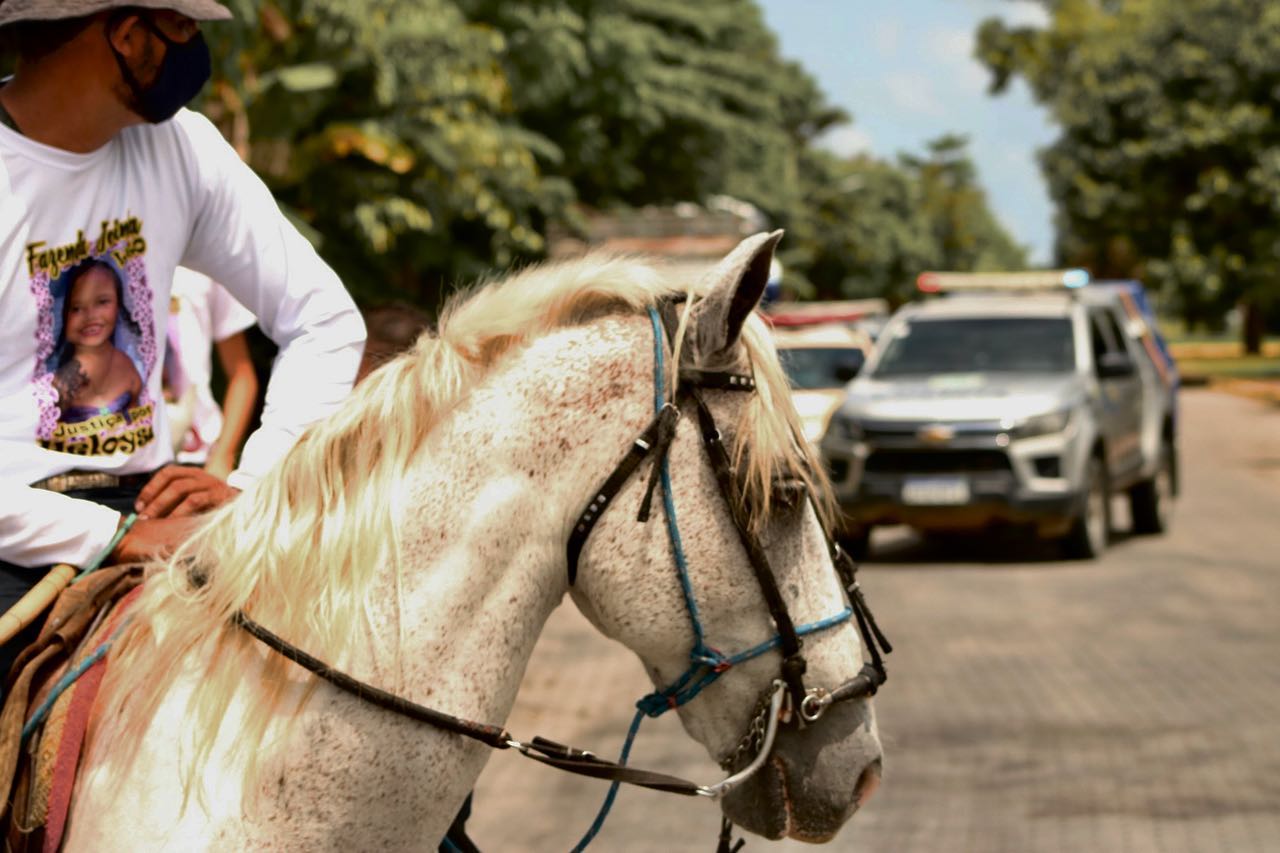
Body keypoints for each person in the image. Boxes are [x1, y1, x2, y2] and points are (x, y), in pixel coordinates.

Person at [0, 0, 366, 674]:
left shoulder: (182, 148)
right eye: (184, 25)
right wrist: (112, 535)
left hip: (160, 516)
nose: (197, 44)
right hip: (19, 544)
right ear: (130, 36)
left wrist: (254, 488)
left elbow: (323, 318)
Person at [163, 267, 258, 479]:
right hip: (113, 463)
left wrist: (223, 457)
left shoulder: (207, 258)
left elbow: (242, 375)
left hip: (196, 459)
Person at [50, 257, 144, 424]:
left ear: (118, 305)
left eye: (102, 302)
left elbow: (139, 413)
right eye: (77, 308)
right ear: (64, 315)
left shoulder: (125, 363)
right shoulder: (62, 381)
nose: (90, 316)